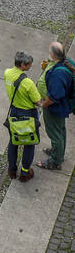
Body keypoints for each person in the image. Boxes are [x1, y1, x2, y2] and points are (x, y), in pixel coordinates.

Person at [4, 51, 42, 182]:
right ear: (22, 64)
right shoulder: (28, 83)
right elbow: (38, 102)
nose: (30, 66)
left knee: (13, 142)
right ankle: (25, 173)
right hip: (28, 116)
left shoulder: (7, 73)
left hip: (14, 112)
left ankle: (12, 170)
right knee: (29, 143)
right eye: (29, 65)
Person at [37, 42, 75, 170]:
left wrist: (44, 104)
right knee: (60, 130)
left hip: (55, 108)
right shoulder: (65, 61)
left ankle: (55, 161)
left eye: (50, 51)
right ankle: (58, 152)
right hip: (61, 106)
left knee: (55, 134)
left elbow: (55, 96)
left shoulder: (58, 75)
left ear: (53, 54)